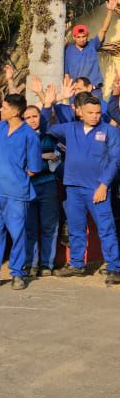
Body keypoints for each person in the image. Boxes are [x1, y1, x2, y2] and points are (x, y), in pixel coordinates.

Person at [47, 94, 120, 284]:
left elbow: (115, 160)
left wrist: (104, 185)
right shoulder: (70, 129)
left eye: (97, 112)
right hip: (73, 188)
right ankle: (77, 264)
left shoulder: (109, 132)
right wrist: (47, 106)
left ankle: (115, 268)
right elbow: (47, 128)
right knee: (76, 227)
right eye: (90, 113)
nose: (95, 116)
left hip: (97, 189)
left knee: (106, 228)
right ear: (79, 112)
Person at [0, 94, 42, 291]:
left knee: (17, 233)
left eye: (3, 107)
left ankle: (17, 274)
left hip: (16, 194)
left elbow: (33, 168)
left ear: (15, 111)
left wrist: (16, 176)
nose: (0, 110)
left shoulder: (29, 135)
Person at [23, 97, 60, 278]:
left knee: (49, 226)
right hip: (28, 187)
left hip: (48, 185)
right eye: (28, 117)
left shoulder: (50, 135)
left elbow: (58, 155)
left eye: (35, 116)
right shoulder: (20, 137)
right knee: (29, 228)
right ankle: (31, 264)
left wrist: (51, 156)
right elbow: (20, 159)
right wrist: (43, 155)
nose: (32, 120)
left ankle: (47, 264)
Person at [63, 0, 116, 90]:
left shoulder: (92, 44)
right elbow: (66, 74)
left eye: (84, 36)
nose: (82, 39)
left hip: (94, 91)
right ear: (74, 37)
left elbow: (103, 30)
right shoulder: (68, 50)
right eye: (78, 37)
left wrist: (110, 11)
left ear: (87, 36)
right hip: (76, 93)